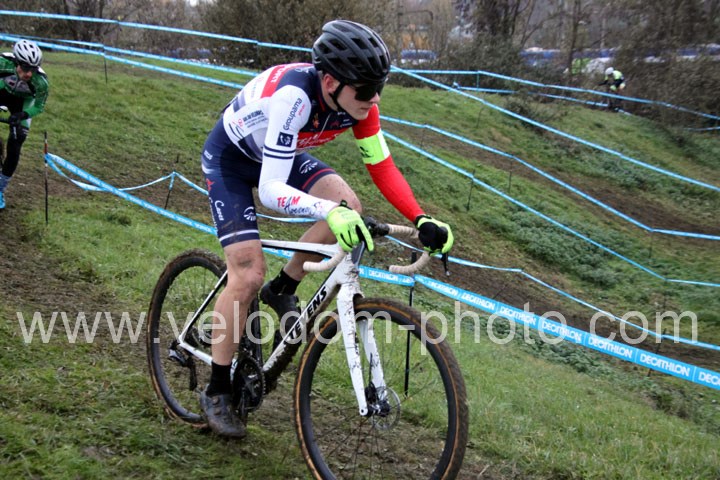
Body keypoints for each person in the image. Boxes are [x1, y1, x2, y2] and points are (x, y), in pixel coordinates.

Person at [199, 19, 454, 438]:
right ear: (331, 81)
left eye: (379, 88)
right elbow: (270, 190)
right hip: (232, 160)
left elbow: (382, 167)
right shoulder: (295, 98)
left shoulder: (359, 104)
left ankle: (283, 286)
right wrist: (327, 210)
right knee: (246, 274)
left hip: (279, 153)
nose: (374, 98)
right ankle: (217, 389)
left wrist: (420, 218)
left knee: (349, 205)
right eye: (366, 89)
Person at [0, 39, 49, 209]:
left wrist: (22, 115)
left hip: (23, 103)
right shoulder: (3, 63)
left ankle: (0, 189)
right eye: (25, 67)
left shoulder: (41, 82)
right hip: (1, 90)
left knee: (17, 142)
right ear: (16, 62)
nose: (29, 73)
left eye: (33, 69)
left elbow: (39, 106)